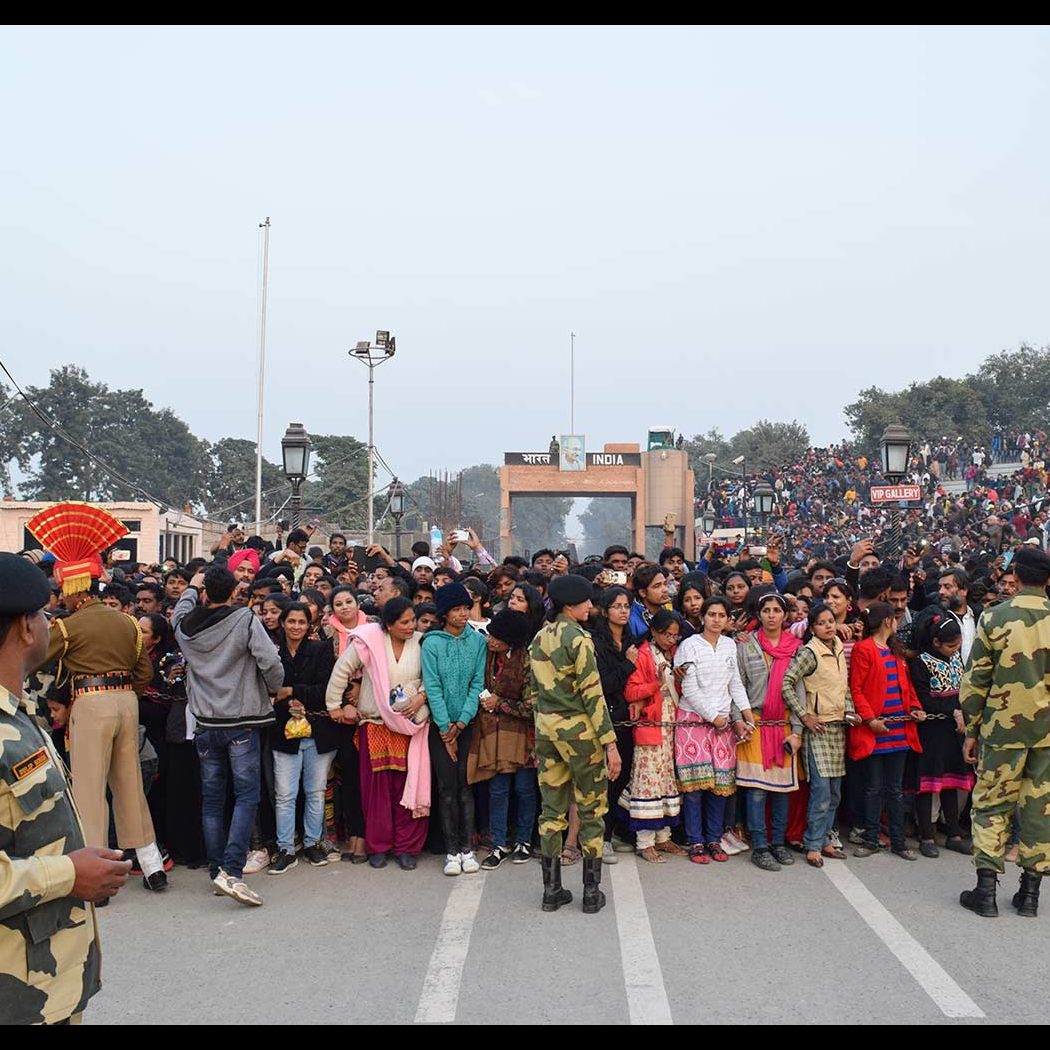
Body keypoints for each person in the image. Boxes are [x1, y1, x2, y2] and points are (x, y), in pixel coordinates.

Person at [0, 552, 132, 1025]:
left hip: (48, 985)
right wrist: (67, 874)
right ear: (24, 628)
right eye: (42, 613)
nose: (48, 622)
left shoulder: (17, 711)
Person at [33, 511, 168, 893]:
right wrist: (127, 696)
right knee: (129, 785)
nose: (62, 595)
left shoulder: (66, 626)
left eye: (64, 588)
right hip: (127, 701)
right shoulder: (128, 622)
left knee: (91, 790)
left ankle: (98, 873)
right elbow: (143, 673)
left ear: (75, 586)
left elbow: (38, 658)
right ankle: (152, 864)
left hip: (91, 703)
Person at [172, 566, 285, 906]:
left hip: (205, 721)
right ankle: (232, 872)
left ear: (205, 591)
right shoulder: (244, 620)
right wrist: (273, 688)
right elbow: (271, 662)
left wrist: (192, 587)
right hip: (241, 720)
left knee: (213, 799)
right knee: (246, 796)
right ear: (235, 590)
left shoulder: (185, 626)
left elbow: (179, 609)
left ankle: (216, 871)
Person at [959, 544, 1050, 918]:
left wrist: (971, 729)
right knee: (1040, 807)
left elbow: (976, 681)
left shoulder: (994, 618)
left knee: (992, 804)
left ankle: (985, 891)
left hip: (1002, 729)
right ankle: (1030, 895)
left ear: (1015, 574)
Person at [529, 574, 620, 914]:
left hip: (547, 731)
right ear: (570, 605)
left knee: (551, 811)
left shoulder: (540, 638)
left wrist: (541, 730)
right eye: (586, 602)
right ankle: (591, 893)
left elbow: (533, 692)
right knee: (592, 810)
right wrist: (610, 744)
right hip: (581, 734)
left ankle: (551, 891)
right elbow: (592, 694)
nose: (591, 607)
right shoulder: (579, 640)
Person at [325, 598, 430, 870]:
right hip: (374, 724)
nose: (410, 626)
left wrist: (421, 697)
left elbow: (433, 678)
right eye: (404, 622)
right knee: (376, 792)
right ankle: (379, 846)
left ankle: (407, 847)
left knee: (407, 787)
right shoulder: (370, 639)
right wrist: (335, 706)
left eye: (412, 621)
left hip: (410, 726)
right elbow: (342, 670)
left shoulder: (422, 642)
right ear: (388, 624)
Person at [673, 596, 753, 864]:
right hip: (693, 721)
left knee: (720, 786)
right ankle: (695, 841)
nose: (717, 620)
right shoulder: (689, 646)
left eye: (722, 615)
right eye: (712, 615)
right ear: (703, 617)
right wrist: (713, 717)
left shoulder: (730, 646)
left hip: (723, 724)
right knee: (695, 787)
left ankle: (714, 839)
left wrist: (746, 714)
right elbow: (689, 688)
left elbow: (735, 684)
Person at [782, 603, 861, 868]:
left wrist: (849, 711)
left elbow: (844, 688)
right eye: (822, 622)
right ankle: (813, 845)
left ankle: (826, 839)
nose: (828, 626)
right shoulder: (809, 652)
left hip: (838, 727)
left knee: (835, 793)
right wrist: (804, 716)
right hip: (817, 729)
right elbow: (787, 683)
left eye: (830, 621)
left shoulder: (838, 646)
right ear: (812, 628)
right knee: (821, 792)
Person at [848, 602, 926, 862]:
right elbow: (856, 688)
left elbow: (908, 687)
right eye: (894, 618)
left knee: (895, 788)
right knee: (873, 788)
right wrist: (870, 721)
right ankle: (871, 839)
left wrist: (915, 708)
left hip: (900, 730)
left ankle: (898, 842)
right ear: (887, 622)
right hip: (876, 730)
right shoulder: (863, 649)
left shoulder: (897, 651)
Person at [422, 583, 487, 876]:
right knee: (446, 788)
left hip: (468, 724)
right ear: (445, 613)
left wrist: (461, 722)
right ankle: (451, 851)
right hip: (440, 727)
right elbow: (432, 685)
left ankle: (467, 848)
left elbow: (478, 683)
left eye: (466, 608)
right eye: (457, 610)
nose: (463, 614)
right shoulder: (431, 643)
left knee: (466, 787)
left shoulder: (478, 642)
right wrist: (446, 726)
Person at [735, 593, 803, 871]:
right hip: (755, 724)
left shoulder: (796, 648)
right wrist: (739, 719)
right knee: (757, 792)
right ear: (759, 614)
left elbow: (799, 689)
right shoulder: (746, 645)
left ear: (785, 615)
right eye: (766, 610)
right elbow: (736, 686)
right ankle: (760, 846)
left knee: (781, 791)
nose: (772, 615)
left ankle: (778, 843)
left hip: (784, 725)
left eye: (777, 610)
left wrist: (797, 730)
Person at [270, 603, 337, 874]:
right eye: (291, 621)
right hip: (282, 730)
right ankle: (285, 848)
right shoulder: (273, 653)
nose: (296, 626)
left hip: (318, 729)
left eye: (301, 622)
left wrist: (292, 691)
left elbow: (326, 689)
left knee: (316, 791)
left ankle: (312, 842)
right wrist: (285, 700)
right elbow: (267, 689)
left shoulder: (321, 650)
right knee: (285, 794)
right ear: (283, 623)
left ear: (309, 625)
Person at [470, 609, 538, 870]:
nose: (490, 640)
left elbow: (532, 706)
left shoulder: (528, 662)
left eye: (496, 637)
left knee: (524, 790)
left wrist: (500, 704)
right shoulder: (485, 657)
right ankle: (498, 843)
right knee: (498, 790)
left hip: (524, 738)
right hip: (493, 735)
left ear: (510, 640)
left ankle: (523, 841)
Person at [906, 608, 974, 858]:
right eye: (950, 646)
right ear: (936, 642)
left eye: (958, 645)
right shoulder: (921, 662)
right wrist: (953, 710)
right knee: (928, 784)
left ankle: (954, 833)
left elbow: (963, 687)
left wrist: (961, 710)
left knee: (951, 782)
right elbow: (923, 699)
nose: (955, 650)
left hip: (953, 731)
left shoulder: (956, 659)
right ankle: (926, 835)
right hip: (931, 731)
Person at [620, 609, 685, 863]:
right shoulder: (643, 653)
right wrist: (656, 684)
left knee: (667, 780)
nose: (671, 639)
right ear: (655, 632)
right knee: (647, 783)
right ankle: (644, 841)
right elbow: (631, 691)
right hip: (651, 724)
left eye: (675, 635)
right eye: (667, 634)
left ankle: (664, 837)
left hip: (670, 725)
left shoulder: (672, 654)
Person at [591, 587, 639, 859]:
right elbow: (604, 683)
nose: (623, 611)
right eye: (617, 606)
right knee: (607, 781)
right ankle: (602, 838)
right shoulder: (597, 642)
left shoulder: (632, 640)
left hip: (628, 720)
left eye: (627, 606)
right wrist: (628, 665)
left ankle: (615, 831)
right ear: (606, 609)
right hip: (605, 718)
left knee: (623, 778)